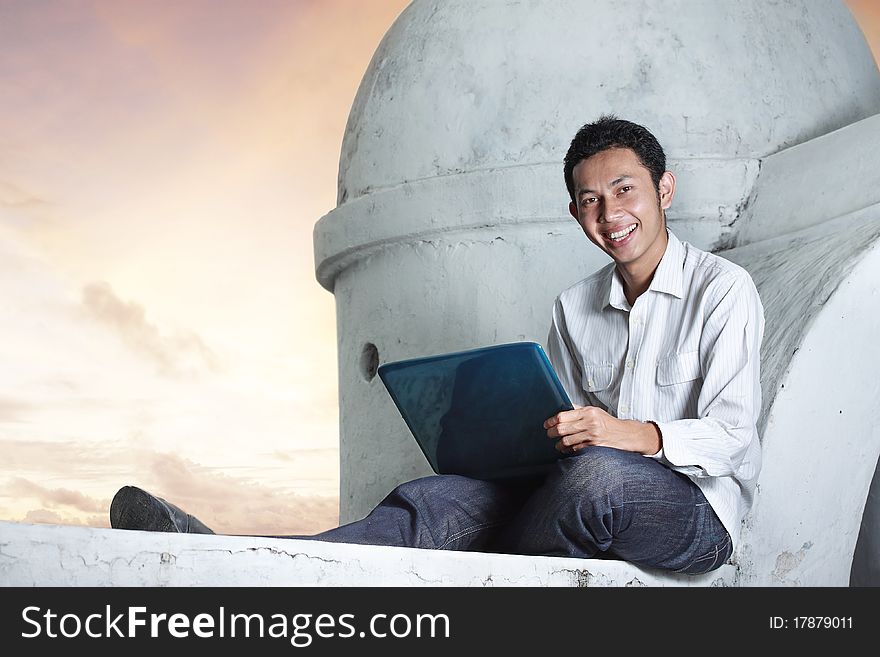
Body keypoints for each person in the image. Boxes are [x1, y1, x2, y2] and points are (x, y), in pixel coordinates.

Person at [111, 116, 764, 575]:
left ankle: (477, 563)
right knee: (441, 498)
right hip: (572, 503)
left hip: (694, 514)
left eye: (625, 190)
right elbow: (559, 439)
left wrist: (631, 434)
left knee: (599, 475)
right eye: (590, 200)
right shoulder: (574, 307)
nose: (609, 213)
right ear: (575, 215)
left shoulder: (724, 291)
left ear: (663, 190)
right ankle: (221, 562)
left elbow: (736, 438)